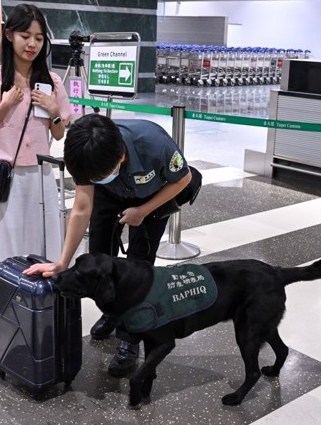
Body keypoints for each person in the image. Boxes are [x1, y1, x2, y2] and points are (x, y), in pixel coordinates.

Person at [25, 113, 195, 377]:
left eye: (100, 175)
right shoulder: (86, 155)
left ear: (122, 159)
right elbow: (82, 208)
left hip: (151, 198)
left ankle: (130, 338)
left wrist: (143, 210)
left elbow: (182, 179)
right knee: (98, 258)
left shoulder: (154, 144)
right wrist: (62, 262)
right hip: (108, 197)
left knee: (139, 269)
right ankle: (112, 313)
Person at [0, 3, 70, 308]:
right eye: (26, 35)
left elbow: (59, 133)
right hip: (6, 176)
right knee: (5, 241)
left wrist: (54, 112)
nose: (32, 44)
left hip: (41, 175)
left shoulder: (52, 82)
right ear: (10, 35)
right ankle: (5, 302)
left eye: (39, 38)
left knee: (44, 236)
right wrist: (5, 105)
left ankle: (42, 300)